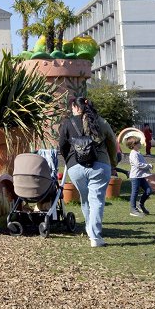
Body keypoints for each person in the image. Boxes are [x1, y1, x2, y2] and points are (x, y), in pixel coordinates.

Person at [58, 97, 117, 248]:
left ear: (77, 108)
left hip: (75, 168)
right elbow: (111, 143)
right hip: (100, 165)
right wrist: (113, 163)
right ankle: (94, 236)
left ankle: (90, 231)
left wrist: (69, 161)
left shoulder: (67, 123)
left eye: (72, 107)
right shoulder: (101, 122)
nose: (72, 110)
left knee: (85, 199)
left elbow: (62, 146)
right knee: (96, 200)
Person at [126, 136, 152, 217]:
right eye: (139, 143)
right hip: (135, 177)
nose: (140, 144)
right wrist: (148, 166)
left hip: (141, 176)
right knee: (135, 192)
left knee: (148, 191)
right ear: (134, 145)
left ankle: (140, 204)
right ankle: (133, 209)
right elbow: (138, 164)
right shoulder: (133, 154)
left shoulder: (138, 152)